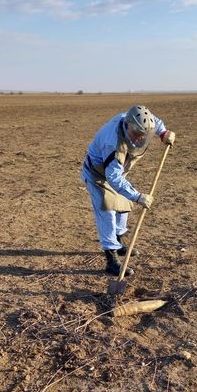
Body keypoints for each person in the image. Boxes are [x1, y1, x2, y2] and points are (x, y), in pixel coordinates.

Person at [82, 105, 176, 276]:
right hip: (97, 174)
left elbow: (153, 121)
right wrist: (138, 196)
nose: (140, 137)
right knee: (108, 211)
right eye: (137, 133)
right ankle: (111, 260)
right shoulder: (113, 144)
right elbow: (114, 178)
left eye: (143, 134)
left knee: (123, 206)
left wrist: (163, 133)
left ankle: (119, 244)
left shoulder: (138, 119)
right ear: (127, 125)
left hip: (115, 172)